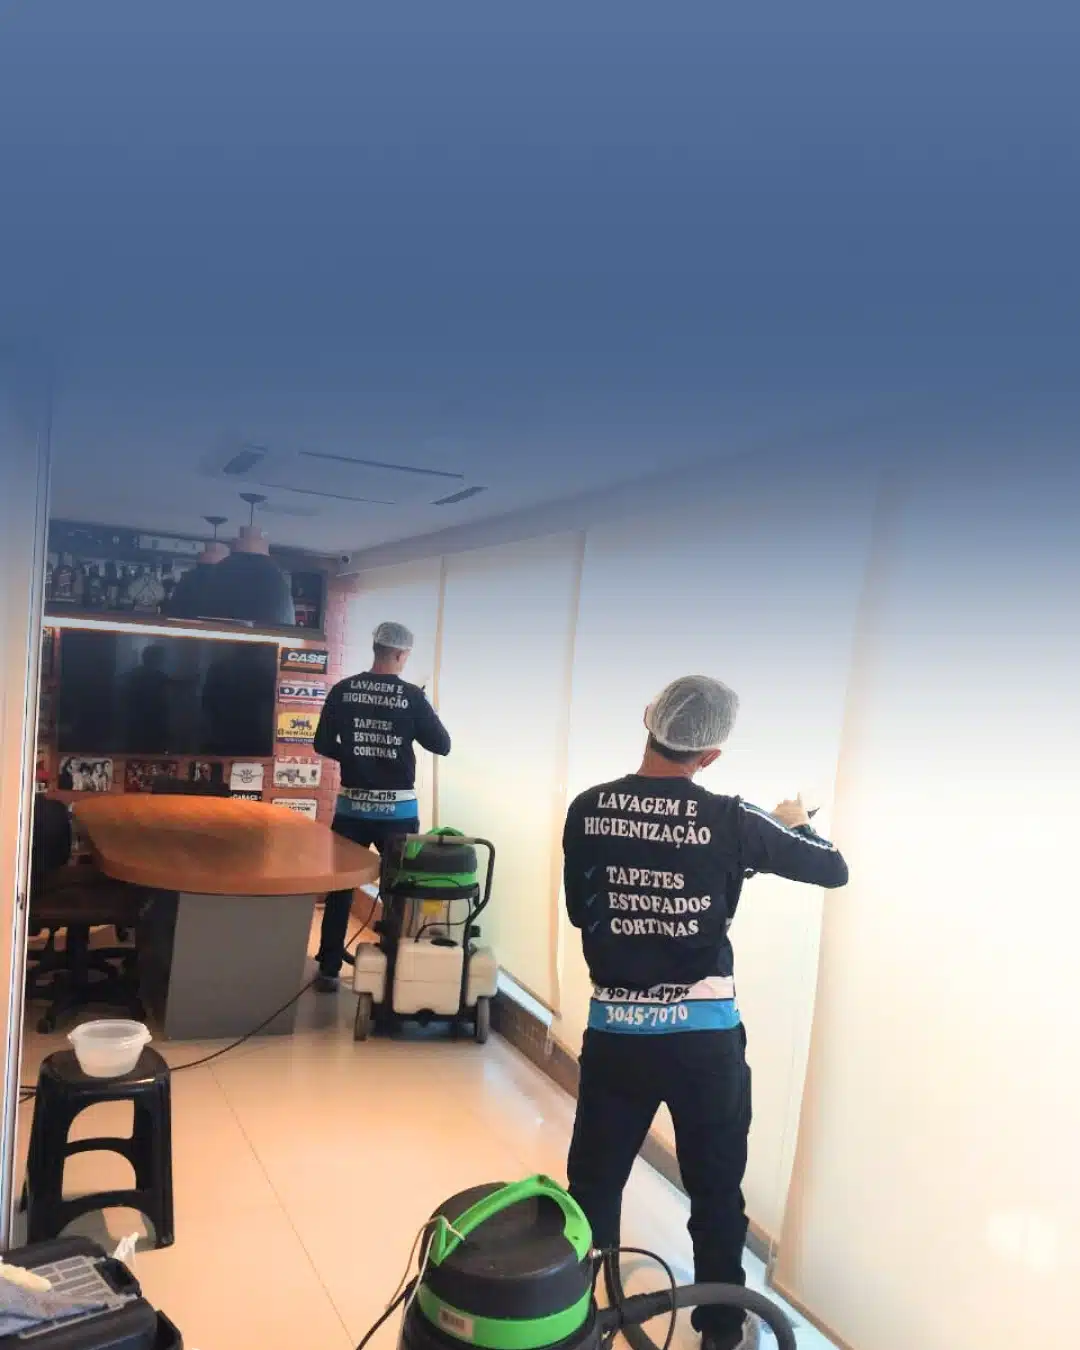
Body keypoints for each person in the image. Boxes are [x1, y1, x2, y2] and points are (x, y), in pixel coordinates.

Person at [562, 676, 849, 1350]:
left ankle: (575, 1317)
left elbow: (581, 910)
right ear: (711, 755)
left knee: (594, 1183)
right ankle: (722, 1328)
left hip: (617, 1036)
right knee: (717, 1192)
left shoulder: (588, 808)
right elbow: (831, 868)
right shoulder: (732, 820)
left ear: (648, 720)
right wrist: (796, 823)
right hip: (703, 1047)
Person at [312, 621, 451, 989]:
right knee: (398, 892)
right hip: (397, 816)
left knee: (341, 889)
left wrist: (354, 755)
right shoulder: (411, 697)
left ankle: (328, 969)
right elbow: (442, 745)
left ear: (375, 648)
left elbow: (322, 744)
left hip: (351, 811)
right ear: (401, 654)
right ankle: (392, 973)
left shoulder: (343, 690)